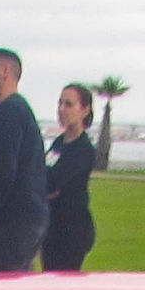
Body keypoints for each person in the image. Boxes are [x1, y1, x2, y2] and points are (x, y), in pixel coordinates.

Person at [0, 47, 48, 272]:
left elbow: (3, 169)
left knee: (4, 289)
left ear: (5, 71)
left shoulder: (10, 112)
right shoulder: (16, 110)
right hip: (24, 220)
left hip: (13, 224)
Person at [43, 83, 98, 271]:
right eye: (60, 103)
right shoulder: (58, 143)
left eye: (68, 104)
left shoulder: (84, 150)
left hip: (72, 230)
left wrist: (47, 186)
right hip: (51, 228)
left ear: (84, 110)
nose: (61, 109)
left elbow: (53, 183)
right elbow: (41, 175)